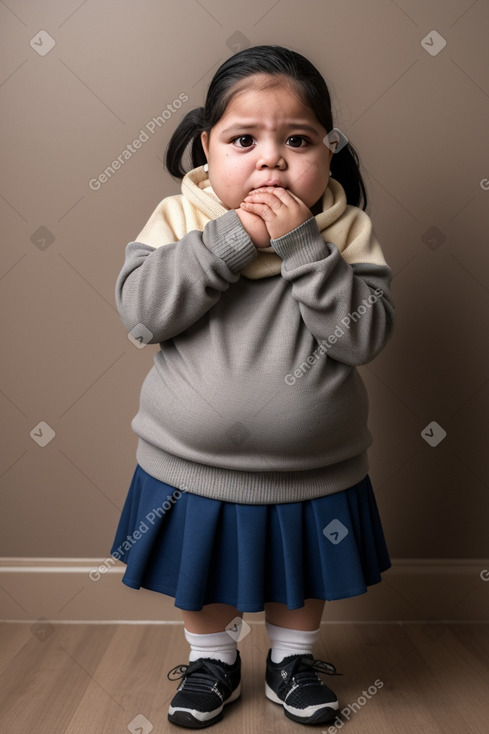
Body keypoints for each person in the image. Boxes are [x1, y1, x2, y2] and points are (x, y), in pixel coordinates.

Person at [110, 44, 395, 729]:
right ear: (207, 149)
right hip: (189, 463)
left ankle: (291, 660)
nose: (270, 159)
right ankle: (211, 658)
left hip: (313, 467)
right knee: (201, 574)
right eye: (244, 140)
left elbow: (361, 336)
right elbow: (143, 315)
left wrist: (301, 247)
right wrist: (232, 237)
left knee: (299, 576)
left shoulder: (345, 230)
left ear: (327, 153)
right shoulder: (179, 218)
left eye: (296, 141)